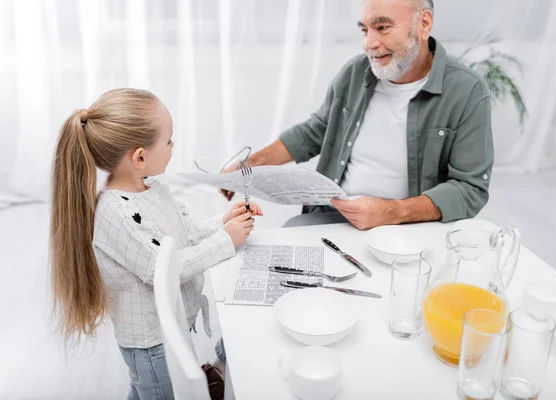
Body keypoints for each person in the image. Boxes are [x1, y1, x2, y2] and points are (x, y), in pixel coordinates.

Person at [49, 88, 262, 400]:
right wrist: (226, 241)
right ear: (140, 157)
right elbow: (161, 269)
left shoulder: (154, 189)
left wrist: (224, 222)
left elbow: (184, 232)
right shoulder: (114, 213)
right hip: (151, 344)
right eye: (169, 140)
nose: (173, 146)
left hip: (169, 331)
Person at [222, 0, 493, 230]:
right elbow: (314, 131)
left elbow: (470, 189)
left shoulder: (467, 91)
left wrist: (392, 212)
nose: (369, 44)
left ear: (423, 24)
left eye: (382, 27)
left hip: (410, 229)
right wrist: (250, 164)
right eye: (364, 30)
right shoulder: (355, 72)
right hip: (331, 218)